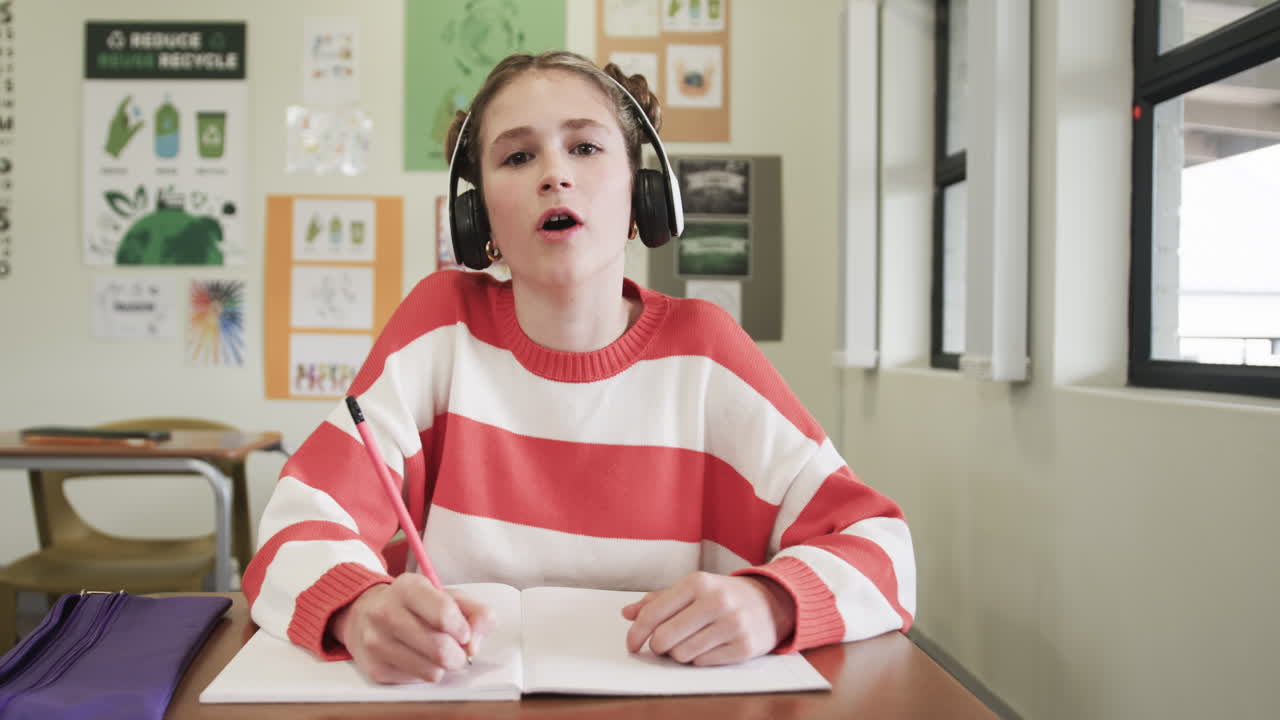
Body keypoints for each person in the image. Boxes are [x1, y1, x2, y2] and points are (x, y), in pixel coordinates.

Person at [243, 50, 916, 685]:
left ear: (643, 194)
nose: (553, 174)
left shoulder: (705, 352)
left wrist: (774, 604)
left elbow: (882, 549)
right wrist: (358, 610)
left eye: (586, 147)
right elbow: (294, 527)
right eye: (516, 156)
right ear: (477, 215)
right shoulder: (439, 328)